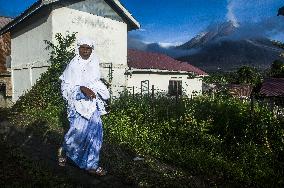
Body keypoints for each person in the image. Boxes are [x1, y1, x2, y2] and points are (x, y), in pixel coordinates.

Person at [58, 37, 110, 176]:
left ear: (92, 50)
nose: (85, 51)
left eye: (88, 48)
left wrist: (105, 95)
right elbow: (66, 87)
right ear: (78, 48)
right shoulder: (73, 65)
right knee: (77, 132)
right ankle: (65, 151)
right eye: (83, 47)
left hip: (92, 106)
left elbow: (96, 82)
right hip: (77, 105)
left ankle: (92, 164)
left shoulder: (94, 63)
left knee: (95, 134)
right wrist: (81, 89)